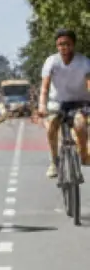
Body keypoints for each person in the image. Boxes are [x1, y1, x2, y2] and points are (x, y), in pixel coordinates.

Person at [39, 28, 90, 178]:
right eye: (60, 44)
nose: (64, 48)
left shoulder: (84, 62)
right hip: (57, 103)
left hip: (80, 102)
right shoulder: (51, 62)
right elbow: (45, 87)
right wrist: (42, 105)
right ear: (57, 46)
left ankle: (83, 155)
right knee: (51, 126)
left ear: (73, 45)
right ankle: (54, 161)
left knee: (80, 125)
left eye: (67, 44)